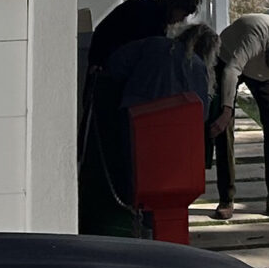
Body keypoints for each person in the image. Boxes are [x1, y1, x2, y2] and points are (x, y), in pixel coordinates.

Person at [76, 19, 216, 238]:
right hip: (176, 131)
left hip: (136, 118)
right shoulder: (198, 66)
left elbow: (115, 65)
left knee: (133, 173)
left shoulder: (152, 44)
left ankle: (134, 222)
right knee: (165, 185)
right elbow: (202, 113)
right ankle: (153, 227)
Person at [205, 13, 269, 220]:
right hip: (228, 59)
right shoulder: (253, 38)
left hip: (262, 77)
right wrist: (226, 110)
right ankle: (226, 199)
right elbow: (232, 70)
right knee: (224, 128)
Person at [85, 0, 200, 73]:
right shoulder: (147, 14)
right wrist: (98, 61)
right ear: (175, 6)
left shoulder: (149, 10)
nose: (181, 20)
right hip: (109, 65)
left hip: (110, 64)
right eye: (182, 14)